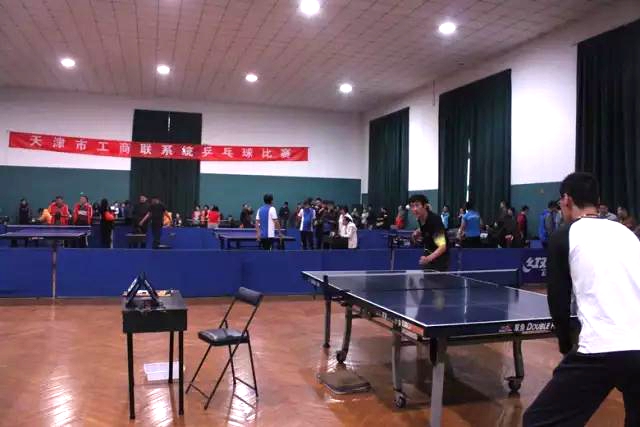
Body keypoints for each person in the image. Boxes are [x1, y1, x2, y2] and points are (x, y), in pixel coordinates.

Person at [523, 172, 640, 426]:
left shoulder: (563, 235)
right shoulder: (628, 234)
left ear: (566, 199)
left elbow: (558, 301)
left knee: (538, 421)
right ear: (597, 201)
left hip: (600, 347)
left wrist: (566, 344)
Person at [408, 195, 448, 271]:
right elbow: (426, 227)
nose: (414, 209)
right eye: (412, 206)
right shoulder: (420, 218)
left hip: (439, 258)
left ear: (425, 206)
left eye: (417, 205)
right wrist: (417, 231)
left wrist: (428, 259)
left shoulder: (434, 220)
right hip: (428, 253)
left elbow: (442, 247)